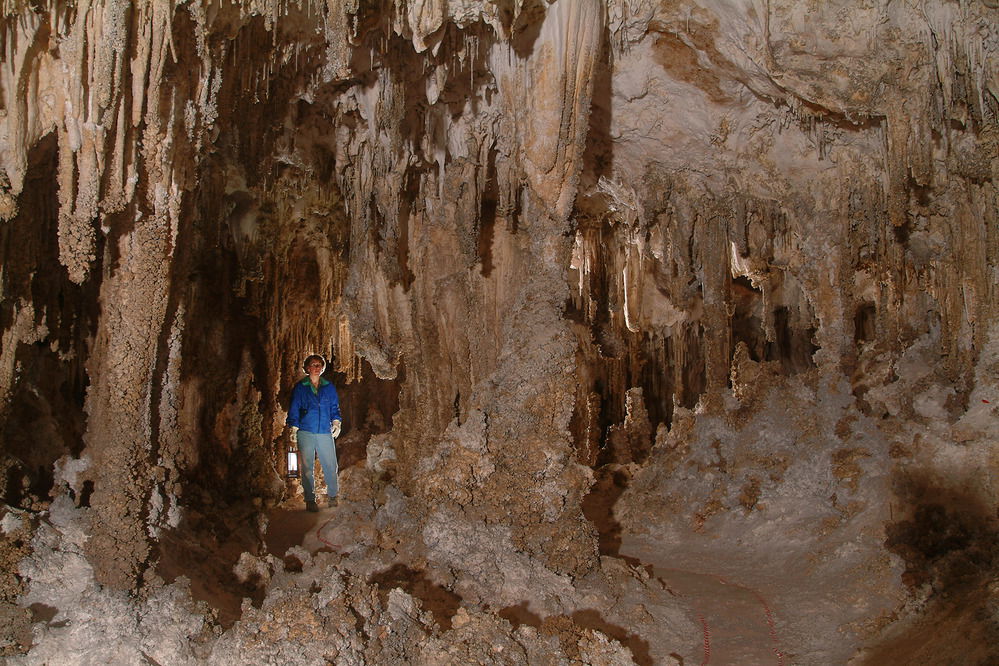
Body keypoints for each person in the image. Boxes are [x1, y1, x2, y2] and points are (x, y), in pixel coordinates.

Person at [287, 354, 342, 512]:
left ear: (322, 368)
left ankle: (332, 496)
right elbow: (295, 407)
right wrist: (294, 427)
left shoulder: (328, 387)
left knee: (330, 464)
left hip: (324, 430)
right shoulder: (301, 387)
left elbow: (334, 406)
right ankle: (310, 500)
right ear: (307, 368)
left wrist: (337, 421)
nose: (316, 368)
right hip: (306, 430)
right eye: (313, 365)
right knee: (306, 466)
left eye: (319, 365)